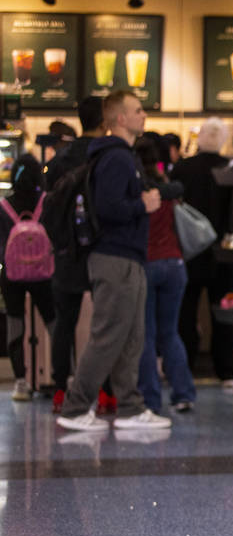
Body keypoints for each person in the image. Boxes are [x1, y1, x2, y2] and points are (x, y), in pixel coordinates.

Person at [56, 90, 171, 433]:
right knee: (108, 336)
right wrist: (143, 205)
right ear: (120, 118)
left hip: (127, 258)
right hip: (116, 258)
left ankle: (131, 407)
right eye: (137, 110)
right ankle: (76, 407)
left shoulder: (121, 156)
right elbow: (108, 209)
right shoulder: (117, 159)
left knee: (131, 336)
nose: (143, 116)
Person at [43, 96, 117, 414]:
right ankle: (107, 392)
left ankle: (61, 391)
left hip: (66, 251)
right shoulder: (110, 156)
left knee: (65, 323)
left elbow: (49, 203)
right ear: (104, 121)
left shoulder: (60, 159)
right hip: (102, 249)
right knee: (106, 324)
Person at [170, 118, 233, 392]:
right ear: (222, 140)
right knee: (223, 312)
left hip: (188, 250)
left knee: (185, 312)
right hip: (223, 251)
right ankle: (227, 372)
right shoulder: (230, 170)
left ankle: (184, 368)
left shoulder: (183, 168)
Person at [133, 135, 196, 414]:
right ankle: (183, 393)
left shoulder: (136, 189)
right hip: (174, 263)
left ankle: (150, 398)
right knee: (169, 333)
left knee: (146, 335)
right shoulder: (170, 189)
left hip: (146, 264)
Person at [0, 155, 56, 401]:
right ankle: (61, 376)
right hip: (43, 274)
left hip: (12, 274)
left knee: (15, 325)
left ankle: (21, 382)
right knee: (54, 323)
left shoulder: (4, 206)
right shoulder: (46, 202)